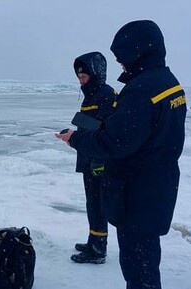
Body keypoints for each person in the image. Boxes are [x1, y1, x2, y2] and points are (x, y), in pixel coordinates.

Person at [56, 20, 186, 289]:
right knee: (137, 269)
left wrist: (76, 139)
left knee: (142, 271)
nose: (121, 65)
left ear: (138, 51)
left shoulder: (143, 90)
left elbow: (116, 141)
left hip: (139, 192)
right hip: (152, 186)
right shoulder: (167, 84)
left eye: (124, 56)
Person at [70, 52, 118, 265]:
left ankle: (98, 249)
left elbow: (105, 127)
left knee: (98, 203)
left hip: (99, 159)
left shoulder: (107, 95)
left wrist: (79, 133)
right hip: (88, 156)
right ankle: (93, 240)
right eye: (79, 76)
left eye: (84, 76)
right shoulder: (91, 95)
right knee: (92, 202)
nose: (81, 80)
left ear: (96, 74)